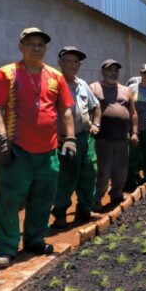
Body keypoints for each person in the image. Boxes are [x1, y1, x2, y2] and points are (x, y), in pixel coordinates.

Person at [0, 27, 75, 269]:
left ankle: (35, 239)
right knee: (9, 200)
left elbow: (66, 109)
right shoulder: (6, 74)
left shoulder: (56, 77)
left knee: (43, 199)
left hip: (48, 152)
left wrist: (70, 139)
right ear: (20, 46)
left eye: (41, 44)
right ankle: (6, 247)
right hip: (17, 151)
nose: (36, 48)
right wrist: (1, 139)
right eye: (31, 43)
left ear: (46, 48)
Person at [51, 47, 101, 229]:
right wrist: (55, 136)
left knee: (89, 173)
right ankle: (60, 214)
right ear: (60, 63)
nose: (73, 65)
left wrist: (96, 124)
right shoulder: (54, 84)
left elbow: (96, 106)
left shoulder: (83, 84)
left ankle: (85, 210)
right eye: (69, 61)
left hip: (85, 138)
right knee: (66, 177)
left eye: (76, 62)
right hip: (64, 139)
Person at [90, 60, 138, 211]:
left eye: (116, 70)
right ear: (103, 71)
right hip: (102, 139)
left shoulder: (126, 90)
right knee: (103, 171)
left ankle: (116, 194)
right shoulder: (94, 87)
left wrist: (135, 132)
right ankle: (96, 199)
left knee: (121, 171)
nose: (113, 73)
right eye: (110, 70)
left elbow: (133, 113)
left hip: (123, 138)